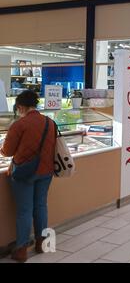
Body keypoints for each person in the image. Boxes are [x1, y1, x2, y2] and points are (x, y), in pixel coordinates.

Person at [0, 90, 56, 263]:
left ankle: (22, 250)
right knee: (41, 206)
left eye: (18, 108)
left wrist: (2, 149)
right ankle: (41, 243)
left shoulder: (19, 125)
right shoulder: (49, 122)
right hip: (46, 171)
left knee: (24, 210)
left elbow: (7, 151)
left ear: (20, 107)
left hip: (24, 173)